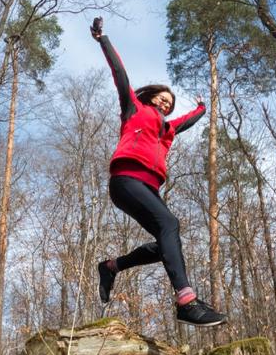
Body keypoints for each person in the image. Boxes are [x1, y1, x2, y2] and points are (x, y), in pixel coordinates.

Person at [91, 17, 226, 327]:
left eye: (171, 102)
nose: (167, 103)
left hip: (147, 187)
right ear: (151, 98)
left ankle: (112, 266)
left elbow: (186, 122)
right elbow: (120, 74)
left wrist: (203, 109)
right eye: (163, 98)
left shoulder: (166, 129)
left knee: (167, 241)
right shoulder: (134, 110)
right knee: (169, 224)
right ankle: (187, 301)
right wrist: (104, 39)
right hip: (126, 179)